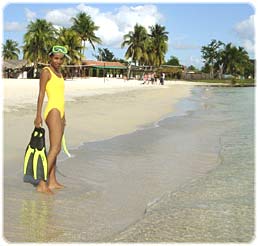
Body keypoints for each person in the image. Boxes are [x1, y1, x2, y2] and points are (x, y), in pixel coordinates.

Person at [34, 45, 70, 194]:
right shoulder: (46, 72)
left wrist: (64, 116)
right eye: (56, 58)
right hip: (52, 111)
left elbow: (61, 96)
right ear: (50, 57)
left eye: (61, 59)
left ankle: (52, 181)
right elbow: (41, 94)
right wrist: (38, 116)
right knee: (55, 148)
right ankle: (42, 183)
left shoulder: (59, 73)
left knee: (56, 148)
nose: (58, 61)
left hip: (60, 112)